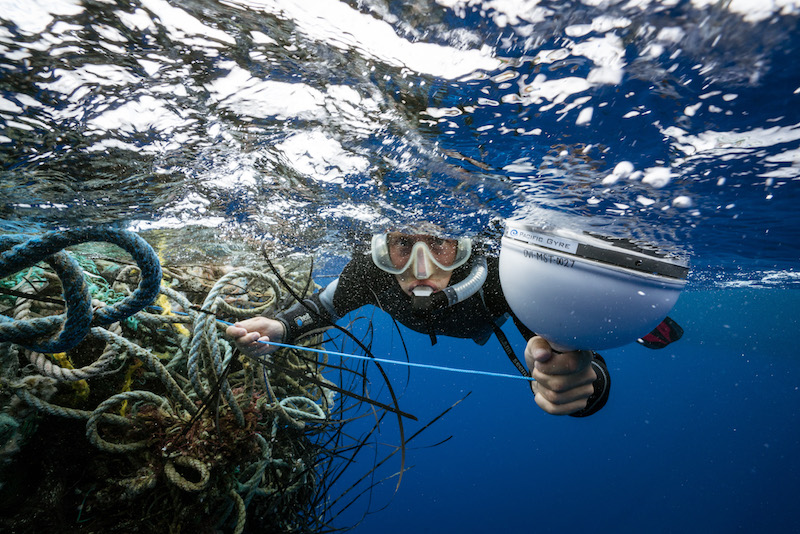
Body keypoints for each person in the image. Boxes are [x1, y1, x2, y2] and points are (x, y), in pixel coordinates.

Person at [226, 231, 680, 417]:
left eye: (442, 244)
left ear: (468, 247)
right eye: (403, 245)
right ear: (381, 248)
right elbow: (320, 307)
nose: (420, 268)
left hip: (494, 315)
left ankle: (632, 320)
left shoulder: (502, 280)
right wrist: (280, 328)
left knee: (578, 311)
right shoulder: (369, 272)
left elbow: (566, 359)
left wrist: (585, 382)